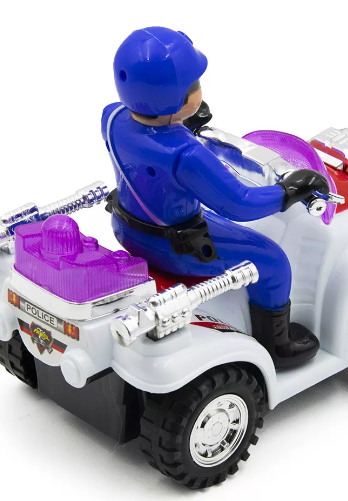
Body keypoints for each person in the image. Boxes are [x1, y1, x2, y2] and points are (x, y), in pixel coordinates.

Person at [101, 26, 330, 369]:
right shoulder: (186, 155)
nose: (199, 89)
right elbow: (239, 204)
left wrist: (179, 121)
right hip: (176, 248)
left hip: (127, 229)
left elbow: (146, 146)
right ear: (177, 98)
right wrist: (289, 191)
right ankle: (277, 344)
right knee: (273, 261)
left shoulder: (111, 118)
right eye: (194, 85)